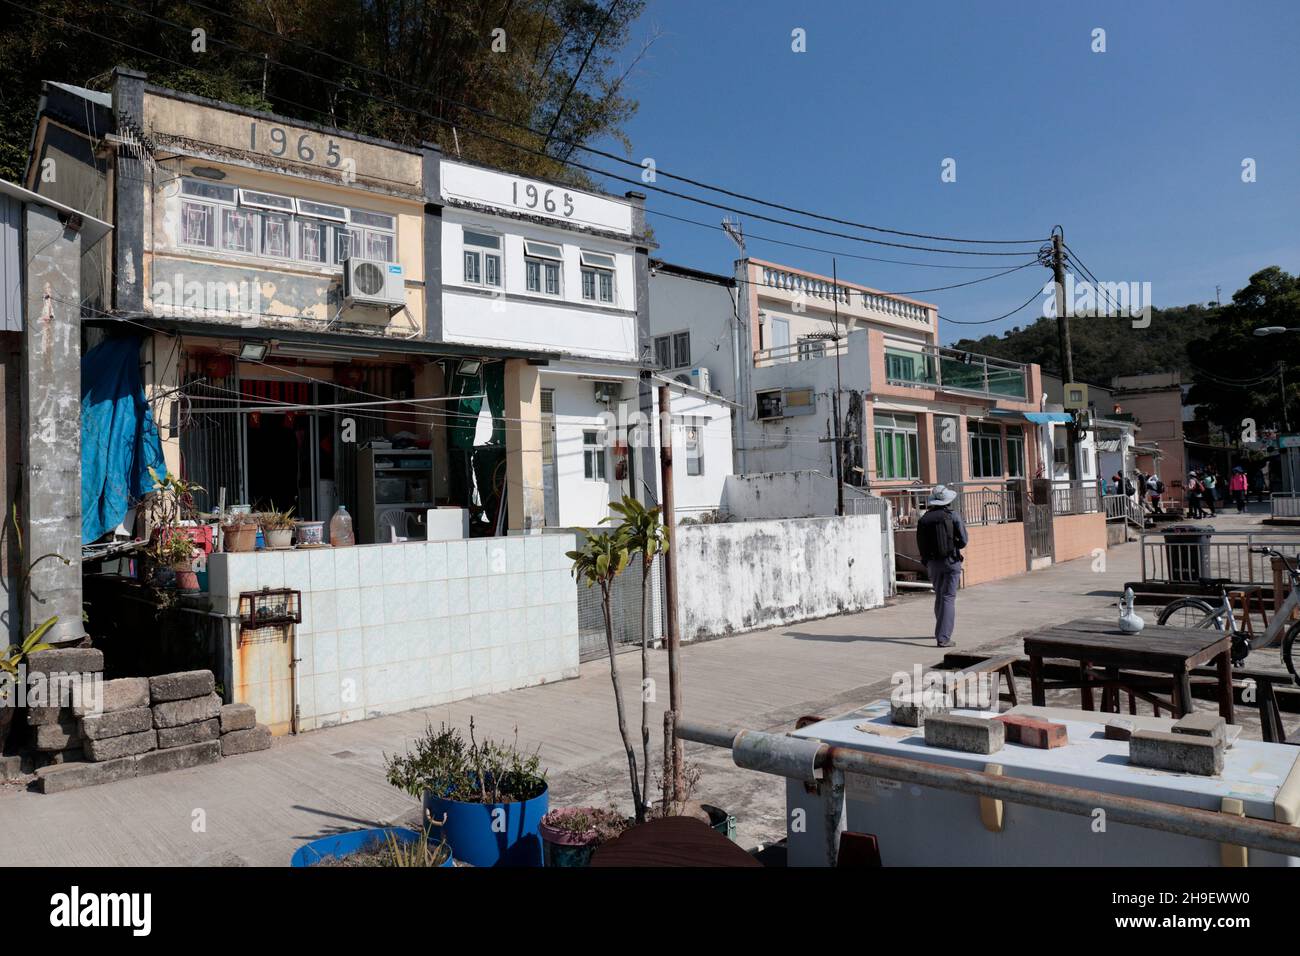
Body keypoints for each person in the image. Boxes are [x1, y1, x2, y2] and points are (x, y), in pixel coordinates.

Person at [917, 484, 968, 649]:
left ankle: (941, 630)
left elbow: (920, 543)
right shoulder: (952, 516)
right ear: (947, 500)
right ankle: (943, 637)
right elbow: (964, 540)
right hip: (951, 561)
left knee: (940, 596)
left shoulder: (924, 519)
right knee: (948, 598)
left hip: (933, 563)